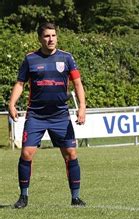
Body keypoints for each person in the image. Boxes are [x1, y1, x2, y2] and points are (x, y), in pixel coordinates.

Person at [8, 22, 87, 208]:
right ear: (40, 38)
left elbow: (77, 83)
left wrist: (82, 107)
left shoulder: (67, 58)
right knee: (26, 153)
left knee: (71, 154)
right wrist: (11, 104)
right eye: (46, 36)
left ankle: (75, 198)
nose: (50, 39)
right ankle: (23, 197)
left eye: (53, 35)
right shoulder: (30, 59)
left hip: (60, 115)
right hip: (36, 115)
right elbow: (20, 84)